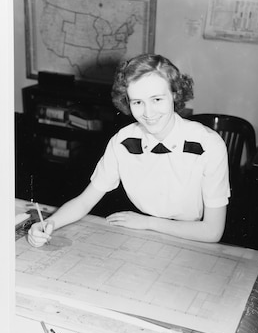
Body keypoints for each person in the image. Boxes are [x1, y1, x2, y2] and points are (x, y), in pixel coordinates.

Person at [28, 54, 230, 247]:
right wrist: (48, 224)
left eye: (157, 99)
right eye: (138, 102)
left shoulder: (209, 145)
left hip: (191, 241)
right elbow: (84, 201)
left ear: (175, 94)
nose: (148, 113)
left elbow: (212, 231)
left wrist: (149, 223)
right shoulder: (122, 141)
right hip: (139, 236)